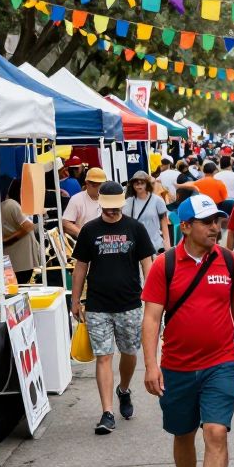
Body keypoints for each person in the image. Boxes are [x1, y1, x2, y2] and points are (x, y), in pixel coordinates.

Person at [141, 194, 234, 467]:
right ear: (186, 226)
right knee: (183, 433)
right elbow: (150, 318)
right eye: (207, 222)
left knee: (216, 431)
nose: (215, 228)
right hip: (176, 366)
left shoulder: (230, 261)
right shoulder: (165, 264)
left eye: (217, 221)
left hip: (220, 363)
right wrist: (151, 365)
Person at [70, 181, 157, 434]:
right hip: (98, 304)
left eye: (115, 208)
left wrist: (152, 299)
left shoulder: (135, 228)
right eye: (107, 208)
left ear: (122, 203)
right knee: (104, 356)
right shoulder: (89, 230)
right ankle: (107, 413)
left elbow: (147, 264)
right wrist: (76, 300)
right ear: (101, 204)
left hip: (130, 303)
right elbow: (80, 266)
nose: (111, 212)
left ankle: (124, 390)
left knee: (129, 352)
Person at [0, 178, 39, 284]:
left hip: (20, 257)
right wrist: (9, 240)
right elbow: (28, 226)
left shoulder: (9, 204)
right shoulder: (12, 204)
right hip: (20, 259)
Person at [123, 171, 172, 253]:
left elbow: (164, 222)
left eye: (142, 182)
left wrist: (167, 243)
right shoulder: (128, 202)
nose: (139, 185)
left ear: (147, 184)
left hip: (155, 245)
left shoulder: (158, 201)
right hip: (135, 246)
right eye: (136, 183)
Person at [62, 167, 108, 239]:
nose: (98, 187)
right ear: (87, 183)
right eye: (95, 184)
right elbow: (66, 223)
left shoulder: (110, 199)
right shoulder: (77, 199)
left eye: (101, 184)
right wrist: (83, 234)